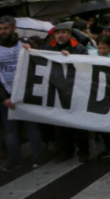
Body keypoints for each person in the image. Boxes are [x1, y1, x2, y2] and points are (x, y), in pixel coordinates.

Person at [0, 16, 46, 171]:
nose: (2, 32)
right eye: (0, 29)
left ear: (14, 28)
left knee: (32, 127)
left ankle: (38, 157)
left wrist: (31, 48)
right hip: (6, 95)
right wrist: (3, 98)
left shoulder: (25, 44)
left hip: (26, 93)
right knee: (10, 130)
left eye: (6, 28)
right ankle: (14, 159)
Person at [45, 21, 91, 162]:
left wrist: (70, 57)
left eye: (63, 33)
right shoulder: (49, 48)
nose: (61, 35)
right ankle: (66, 152)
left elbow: (85, 65)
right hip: (58, 91)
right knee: (60, 125)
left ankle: (83, 152)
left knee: (78, 124)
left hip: (75, 90)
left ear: (69, 34)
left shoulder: (79, 48)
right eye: (58, 33)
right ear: (54, 35)